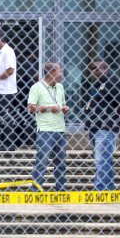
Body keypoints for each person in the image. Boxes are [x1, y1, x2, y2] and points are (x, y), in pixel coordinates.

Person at [84, 61, 120, 191]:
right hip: (94, 127)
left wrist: (118, 118)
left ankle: (99, 190)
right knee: (105, 161)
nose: (94, 72)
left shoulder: (112, 83)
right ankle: (108, 190)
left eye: (97, 69)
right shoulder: (98, 85)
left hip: (105, 128)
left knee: (101, 161)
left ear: (105, 69)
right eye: (92, 69)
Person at [27, 63, 69, 192]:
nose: (62, 74)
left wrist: (64, 108)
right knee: (42, 162)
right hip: (45, 130)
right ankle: (36, 190)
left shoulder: (60, 87)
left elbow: (62, 104)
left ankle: (60, 189)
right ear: (52, 73)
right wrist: (50, 108)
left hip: (60, 130)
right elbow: (31, 107)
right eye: (59, 72)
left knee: (61, 163)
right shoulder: (37, 87)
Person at [15, 49, 39, 147]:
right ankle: (28, 140)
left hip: (24, 95)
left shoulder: (32, 64)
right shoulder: (28, 65)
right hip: (27, 95)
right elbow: (31, 78)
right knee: (29, 118)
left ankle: (22, 140)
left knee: (24, 118)